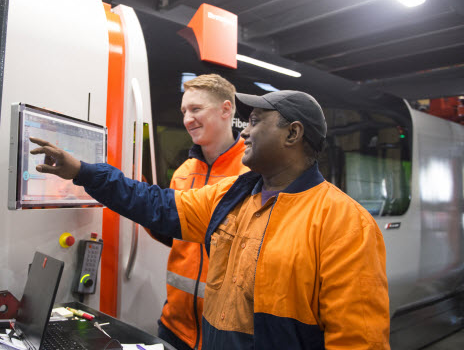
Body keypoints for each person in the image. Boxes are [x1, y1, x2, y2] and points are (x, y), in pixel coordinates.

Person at [29, 90, 390, 349]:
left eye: (254, 122)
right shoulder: (233, 196)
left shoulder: (344, 223)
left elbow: (360, 340)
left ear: (293, 134)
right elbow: (157, 205)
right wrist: (83, 171)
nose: (244, 132)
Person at [147, 74, 249, 350]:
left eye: (196, 109)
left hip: (226, 332)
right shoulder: (182, 173)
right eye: (184, 111)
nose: (187, 119)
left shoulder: (252, 173)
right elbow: (175, 237)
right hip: (173, 327)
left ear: (226, 109)